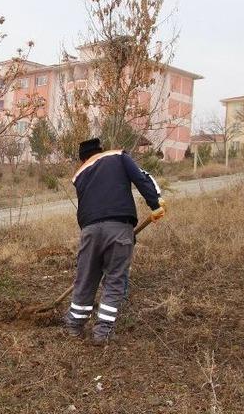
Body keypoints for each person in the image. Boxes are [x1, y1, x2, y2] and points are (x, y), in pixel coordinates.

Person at [64, 138, 165, 345]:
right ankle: (102, 332)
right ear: (100, 150)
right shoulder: (118, 156)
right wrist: (156, 203)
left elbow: (89, 205)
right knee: (115, 280)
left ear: (82, 158)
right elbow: (142, 177)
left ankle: (74, 325)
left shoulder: (80, 174)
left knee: (86, 278)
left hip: (89, 230)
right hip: (119, 227)